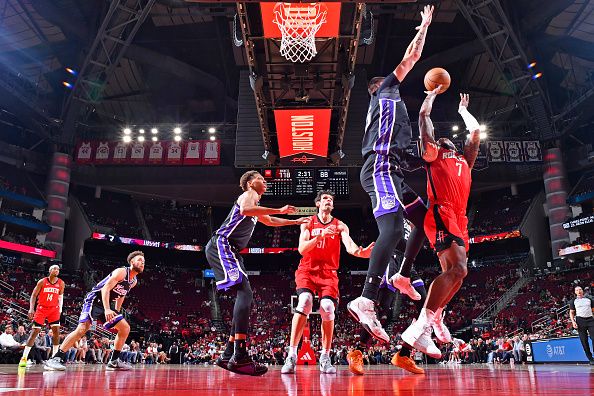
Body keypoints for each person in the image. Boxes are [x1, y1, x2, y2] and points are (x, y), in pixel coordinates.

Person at [347, 4, 434, 343]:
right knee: (394, 227)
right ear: (378, 86)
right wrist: (424, 25)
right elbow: (410, 57)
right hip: (380, 167)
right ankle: (367, 298)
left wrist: (427, 154)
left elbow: (413, 157)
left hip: (392, 169)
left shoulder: (398, 117)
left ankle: (401, 275)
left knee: (422, 216)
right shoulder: (385, 92)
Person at [401, 90, 481, 358]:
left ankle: (432, 319)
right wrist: (430, 96)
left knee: (459, 274)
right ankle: (422, 326)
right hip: (441, 212)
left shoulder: (465, 161)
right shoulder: (434, 154)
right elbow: (424, 117)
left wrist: (463, 112)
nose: (445, 137)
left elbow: (476, 133)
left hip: (459, 217)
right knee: (458, 268)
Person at [207, 170, 307, 376]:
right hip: (223, 244)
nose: (265, 182)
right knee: (246, 293)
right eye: (262, 179)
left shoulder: (255, 205)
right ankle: (240, 356)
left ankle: (228, 354)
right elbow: (245, 210)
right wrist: (280, 209)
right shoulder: (249, 195)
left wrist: (295, 222)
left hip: (231, 250)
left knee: (245, 294)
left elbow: (269, 221)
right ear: (251, 183)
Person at [281, 190, 374, 375]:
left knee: (328, 308)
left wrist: (360, 253)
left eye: (331, 199)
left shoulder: (340, 225)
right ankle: (291, 354)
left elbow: (350, 246)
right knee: (305, 301)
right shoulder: (308, 222)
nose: (328, 201)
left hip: (329, 273)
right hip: (307, 270)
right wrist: (320, 236)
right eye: (325, 198)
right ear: (318, 203)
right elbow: (301, 248)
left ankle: (325, 356)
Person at [44, 251, 145, 371]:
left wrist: (116, 311)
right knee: (82, 329)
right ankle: (54, 359)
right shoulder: (122, 272)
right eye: (139, 260)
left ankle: (113, 361)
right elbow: (105, 288)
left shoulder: (133, 282)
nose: (142, 263)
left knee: (125, 328)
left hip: (107, 304)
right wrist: (107, 309)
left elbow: (121, 295)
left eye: (143, 262)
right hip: (95, 299)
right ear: (131, 261)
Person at [19, 264, 64, 368]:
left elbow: (60, 297)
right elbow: (34, 295)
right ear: (49, 271)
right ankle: (24, 357)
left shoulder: (61, 283)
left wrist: (60, 310)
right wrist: (31, 308)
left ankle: (54, 358)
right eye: (54, 268)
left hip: (54, 310)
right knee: (34, 332)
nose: (57, 270)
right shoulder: (42, 282)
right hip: (42, 309)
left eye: (58, 269)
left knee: (56, 332)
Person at [569, 285, 594, 364]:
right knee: (584, 341)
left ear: (582, 291)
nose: (579, 291)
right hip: (580, 321)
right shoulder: (573, 301)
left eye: (580, 289)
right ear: (575, 292)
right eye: (577, 290)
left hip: (590, 319)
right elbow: (571, 312)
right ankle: (590, 358)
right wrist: (573, 322)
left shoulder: (589, 299)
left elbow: (593, 310)